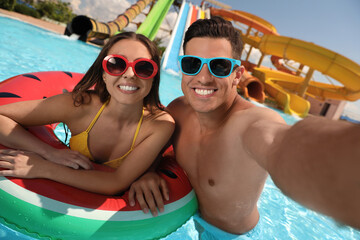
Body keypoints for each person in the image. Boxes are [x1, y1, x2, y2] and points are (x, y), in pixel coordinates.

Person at [127, 17, 360, 238]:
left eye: (219, 66)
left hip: (232, 236)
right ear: (182, 67)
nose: (204, 78)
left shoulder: (252, 124)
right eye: (192, 64)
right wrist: (147, 172)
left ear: (237, 75)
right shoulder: (178, 110)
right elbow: (148, 145)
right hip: (187, 218)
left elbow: (283, 146)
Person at [0, 32, 174, 196]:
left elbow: (116, 182)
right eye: (116, 64)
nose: (129, 74)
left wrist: (43, 168)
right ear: (104, 74)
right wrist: (49, 153)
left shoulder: (159, 125)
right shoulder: (79, 106)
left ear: (153, 77)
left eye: (143, 68)